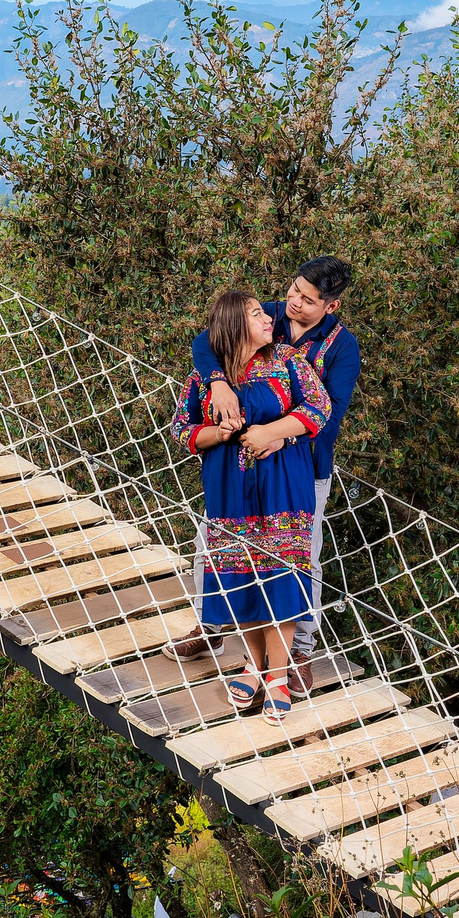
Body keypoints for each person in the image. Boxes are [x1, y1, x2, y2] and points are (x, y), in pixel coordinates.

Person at [190, 255, 359, 684]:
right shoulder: (266, 315)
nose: (291, 302)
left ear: (330, 307)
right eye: (292, 290)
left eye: (306, 299)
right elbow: (207, 340)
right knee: (217, 542)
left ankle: (299, 649)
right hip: (238, 467)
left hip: (302, 466)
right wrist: (218, 381)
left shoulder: (342, 347)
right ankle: (211, 626)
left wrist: (281, 436)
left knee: (303, 553)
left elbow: (330, 413)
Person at [171, 286, 331, 723]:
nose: (269, 319)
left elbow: (319, 407)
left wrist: (271, 431)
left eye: (266, 313)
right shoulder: (206, 376)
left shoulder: (288, 360)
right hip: (228, 486)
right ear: (235, 325)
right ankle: (253, 663)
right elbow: (182, 429)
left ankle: (277, 675)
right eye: (258, 314)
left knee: (282, 572)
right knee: (241, 577)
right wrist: (219, 434)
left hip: (284, 481)